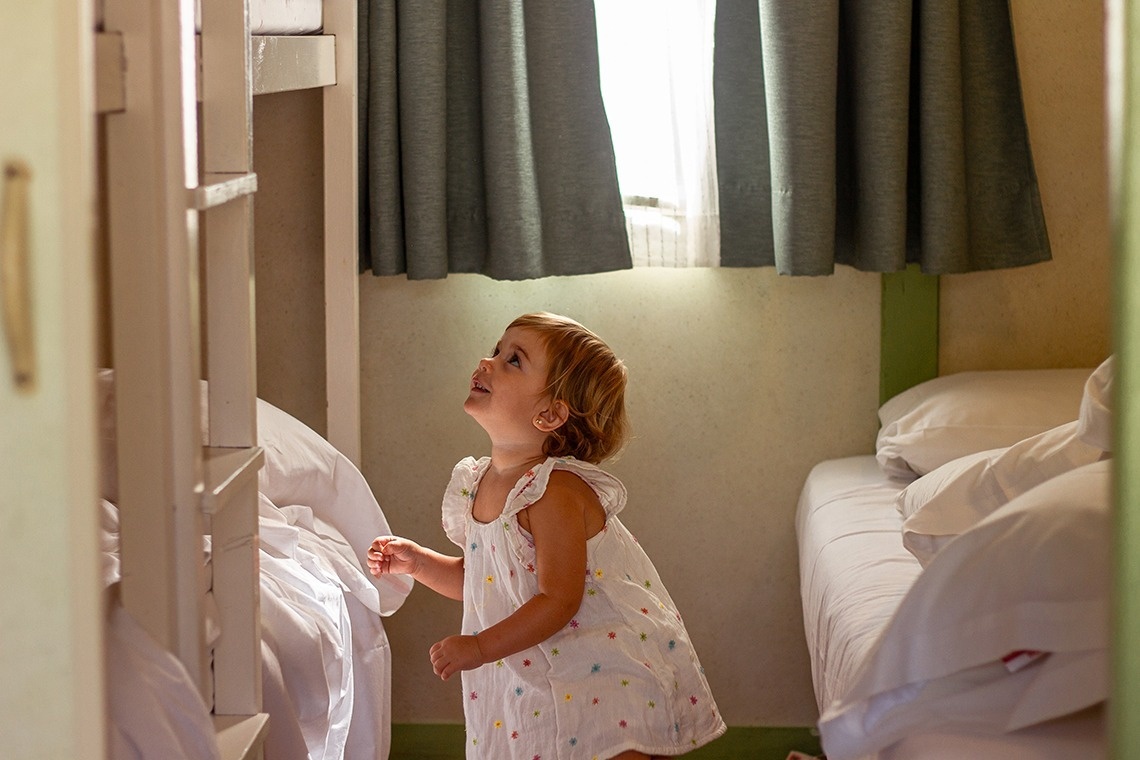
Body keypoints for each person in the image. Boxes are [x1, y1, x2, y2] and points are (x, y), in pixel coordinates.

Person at [367, 312, 725, 759]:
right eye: (497, 349)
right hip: (542, 669)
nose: (488, 360)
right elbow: (486, 581)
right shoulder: (481, 483)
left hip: (601, 668)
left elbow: (558, 598)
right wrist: (418, 562)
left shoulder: (553, 490)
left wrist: (480, 646)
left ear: (550, 414)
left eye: (513, 360)